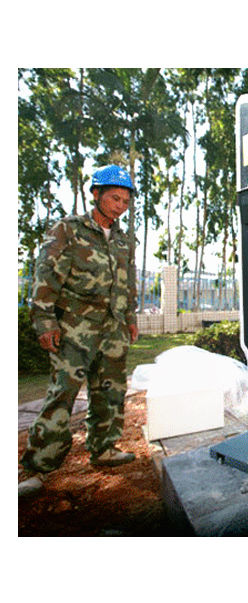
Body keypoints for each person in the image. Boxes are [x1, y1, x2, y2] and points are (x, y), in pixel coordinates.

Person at [19, 165, 140, 498]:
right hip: (74, 328)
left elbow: (128, 282)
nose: (120, 206)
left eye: (126, 201)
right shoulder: (67, 231)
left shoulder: (123, 239)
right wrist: (44, 321)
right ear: (96, 194)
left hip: (113, 328)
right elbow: (45, 276)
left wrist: (130, 317)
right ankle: (39, 465)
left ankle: (104, 449)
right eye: (114, 198)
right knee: (63, 393)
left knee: (110, 389)